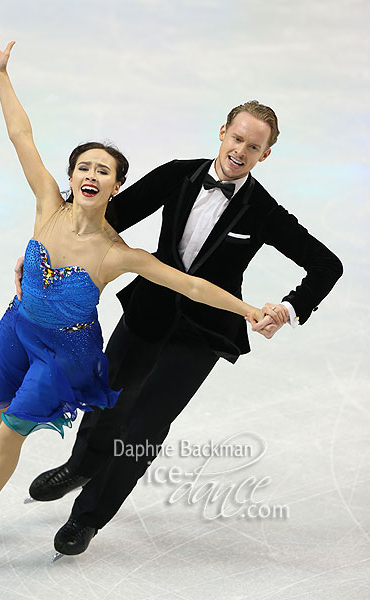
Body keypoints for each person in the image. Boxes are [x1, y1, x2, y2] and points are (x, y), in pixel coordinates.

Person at [0, 34, 282, 573]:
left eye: (103, 172)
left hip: (65, 352)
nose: (90, 175)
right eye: (83, 167)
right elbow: (21, 135)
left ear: (116, 187)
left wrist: (249, 309)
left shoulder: (118, 254)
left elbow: (192, 286)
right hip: (18, 327)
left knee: (19, 428)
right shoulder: (47, 206)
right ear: (70, 176)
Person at [23, 88, 343, 557]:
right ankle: (82, 465)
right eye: (237, 138)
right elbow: (112, 216)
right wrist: (45, 253)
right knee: (106, 396)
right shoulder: (179, 174)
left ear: (266, 153)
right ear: (222, 133)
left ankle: (88, 518)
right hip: (149, 309)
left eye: (253, 147)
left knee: (145, 426)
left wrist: (289, 308)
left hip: (204, 329)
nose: (240, 151)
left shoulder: (263, 211)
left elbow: (326, 264)